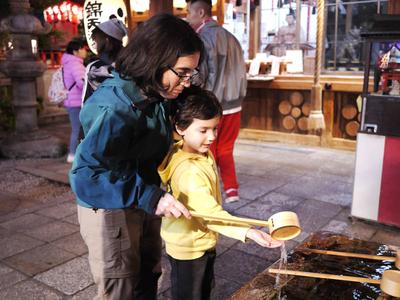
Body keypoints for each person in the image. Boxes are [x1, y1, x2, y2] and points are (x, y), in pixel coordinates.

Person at [69, 14, 203, 299]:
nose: (188, 82)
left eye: (193, 73)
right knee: (120, 286)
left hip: (144, 195)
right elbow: (85, 176)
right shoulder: (115, 107)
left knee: (148, 274)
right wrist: (151, 197)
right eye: (182, 72)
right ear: (155, 61)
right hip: (109, 204)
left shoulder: (156, 94)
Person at [158, 87, 282, 300]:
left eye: (215, 128)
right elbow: (210, 214)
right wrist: (249, 232)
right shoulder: (189, 171)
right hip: (189, 247)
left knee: (202, 289)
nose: (212, 137)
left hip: (197, 238)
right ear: (180, 127)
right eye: (204, 130)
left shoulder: (193, 151)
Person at [186, 0, 247, 203]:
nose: (187, 17)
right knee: (226, 148)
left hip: (212, 104)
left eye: (189, 12)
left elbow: (201, 75)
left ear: (201, 12)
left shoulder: (202, 39)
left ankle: (209, 192)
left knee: (207, 148)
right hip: (235, 103)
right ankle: (231, 190)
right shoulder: (232, 37)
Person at [82, 17, 128, 103]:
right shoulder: (132, 61)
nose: (94, 45)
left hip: (106, 114)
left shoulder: (95, 66)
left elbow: (87, 99)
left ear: (106, 40)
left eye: (95, 41)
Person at [61, 39, 87, 163]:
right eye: (83, 49)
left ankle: (75, 154)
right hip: (76, 101)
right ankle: (72, 154)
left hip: (72, 101)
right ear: (75, 51)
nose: (85, 51)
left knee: (77, 128)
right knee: (78, 129)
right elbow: (82, 83)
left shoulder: (68, 63)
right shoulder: (76, 64)